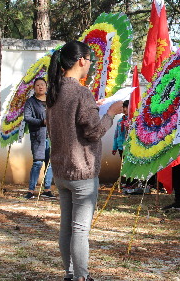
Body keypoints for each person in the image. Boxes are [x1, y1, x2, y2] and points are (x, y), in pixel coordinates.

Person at [46, 40, 124, 281]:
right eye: (90, 60)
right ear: (81, 61)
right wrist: (110, 114)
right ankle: (81, 277)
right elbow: (92, 132)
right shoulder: (80, 92)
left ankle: (70, 274)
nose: (90, 65)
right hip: (82, 172)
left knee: (66, 227)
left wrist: (95, 109)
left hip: (61, 171)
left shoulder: (54, 90)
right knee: (79, 230)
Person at [24, 77, 54, 199]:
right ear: (34, 88)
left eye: (42, 84)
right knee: (37, 162)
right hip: (38, 136)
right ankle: (31, 190)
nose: (40, 87)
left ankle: (47, 189)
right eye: (37, 85)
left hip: (52, 136)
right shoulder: (30, 102)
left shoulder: (52, 100)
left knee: (50, 163)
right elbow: (27, 117)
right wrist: (42, 122)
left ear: (46, 86)